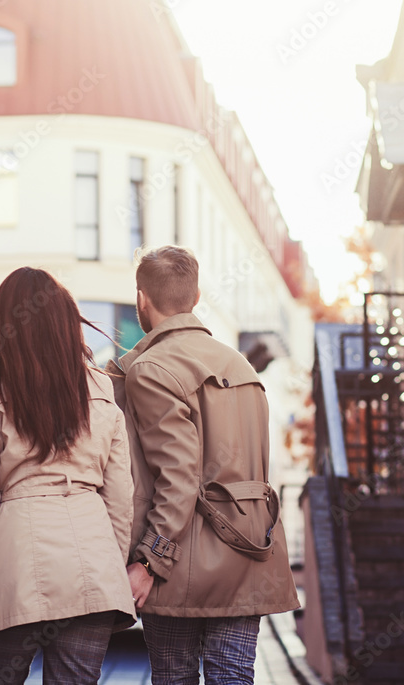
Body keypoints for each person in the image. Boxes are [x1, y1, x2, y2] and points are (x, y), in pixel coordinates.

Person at [0, 267, 136, 685]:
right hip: (92, 567)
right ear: (67, 326)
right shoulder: (102, 388)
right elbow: (121, 498)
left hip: (13, 567)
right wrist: (108, 565)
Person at [107, 246, 300, 685]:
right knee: (233, 676)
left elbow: (178, 475)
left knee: (175, 677)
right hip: (251, 549)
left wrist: (151, 559)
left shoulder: (151, 368)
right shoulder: (242, 364)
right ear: (195, 297)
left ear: (141, 299)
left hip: (181, 560)